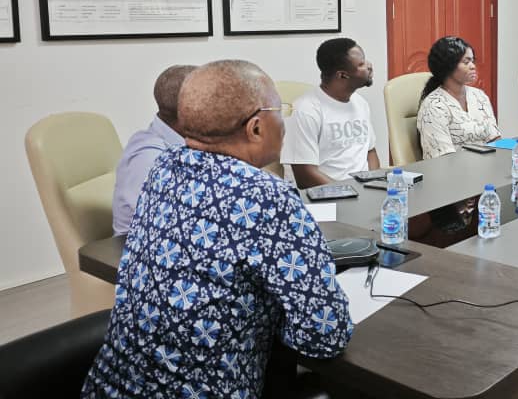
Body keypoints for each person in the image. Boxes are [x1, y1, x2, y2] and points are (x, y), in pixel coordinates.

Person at [82, 60, 352, 398]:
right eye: (280, 110)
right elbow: (323, 336)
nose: (285, 121)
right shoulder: (268, 197)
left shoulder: (162, 167)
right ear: (256, 128)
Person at [282, 38, 380, 188]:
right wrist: (351, 193)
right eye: (361, 64)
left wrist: (373, 184)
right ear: (342, 75)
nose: (369, 66)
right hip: (323, 197)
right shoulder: (305, 111)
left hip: (361, 193)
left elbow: (370, 152)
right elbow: (305, 176)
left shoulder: (360, 103)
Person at [112, 64, 196, 236]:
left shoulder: (186, 142)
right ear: (190, 112)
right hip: (138, 252)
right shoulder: (149, 158)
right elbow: (169, 225)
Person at [417, 36, 500, 159]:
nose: (473, 66)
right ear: (448, 66)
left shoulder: (479, 96)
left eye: (472, 61)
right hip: (452, 172)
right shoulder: (434, 106)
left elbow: (495, 140)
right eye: (466, 62)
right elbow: (444, 159)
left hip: (485, 168)